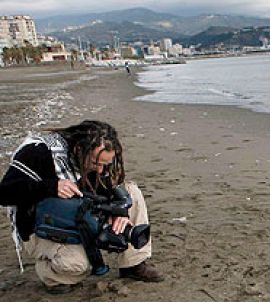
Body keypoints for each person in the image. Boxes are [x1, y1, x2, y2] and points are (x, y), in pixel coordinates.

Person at [0, 120, 163, 293]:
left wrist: (120, 212)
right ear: (79, 149)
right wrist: (50, 187)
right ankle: (51, 275)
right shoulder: (38, 152)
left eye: (105, 165)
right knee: (77, 265)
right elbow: (4, 194)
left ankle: (133, 263)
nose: (100, 170)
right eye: (95, 163)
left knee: (131, 192)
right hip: (40, 226)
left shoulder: (98, 161)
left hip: (79, 215)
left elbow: (110, 187)